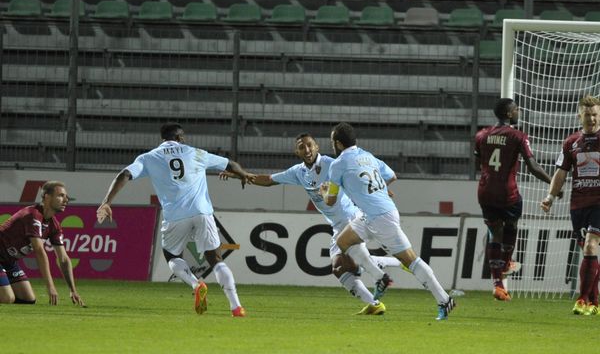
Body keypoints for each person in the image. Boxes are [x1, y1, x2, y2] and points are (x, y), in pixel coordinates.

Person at [221, 132, 402, 315]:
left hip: (352, 219)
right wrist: (241, 174)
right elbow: (268, 180)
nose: (307, 149)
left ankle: (379, 289)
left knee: (347, 264)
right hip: (337, 225)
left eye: (310, 145)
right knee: (340, 267)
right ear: (297, 151)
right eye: (302, 147)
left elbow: (360, 175)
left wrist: (381, 190)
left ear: (317, 147)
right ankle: (379, 293)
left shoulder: (332, 164)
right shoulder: (298, 172)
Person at [96, 122, 254, 317]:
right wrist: (243, 175)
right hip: (202, 212)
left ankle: (196, 285)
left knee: (172, 257)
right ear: (180, 138)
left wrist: (106, 202)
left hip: (174, 217)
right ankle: (236, 307)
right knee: (215, 259)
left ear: (163, 139)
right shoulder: (196, 153)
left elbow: (125, 174)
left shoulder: (149, 157)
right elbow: (230, 164)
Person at [322, 122, 456, 321]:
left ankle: (445, 300)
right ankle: (379, 277)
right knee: (343, 242)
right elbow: (392, 175)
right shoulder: (367, 156)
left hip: (381, 218)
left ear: (338, 143)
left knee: (411, 260)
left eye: (333, 141)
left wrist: (324, 192)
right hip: (369, 215)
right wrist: (376, 190)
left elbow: (331, 200)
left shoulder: (337, 164)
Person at [475, 98, 553, 301]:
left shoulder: (482, 135)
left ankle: (497, 285)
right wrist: (553, 183)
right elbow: (533, 167)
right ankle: (507, 261)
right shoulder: (518, 136)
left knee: (494, 233)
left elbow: (479, 163)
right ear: (509, 114)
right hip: (507, 193)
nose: (518, 112)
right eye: (516, 109)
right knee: (511, 226)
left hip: (485, 191)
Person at [541, 95, 600, 316]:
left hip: (599, 203)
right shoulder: (571, 142)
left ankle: (582, 300)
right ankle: (595, 301)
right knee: (588, 254)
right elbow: (561, 173)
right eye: (587, 115)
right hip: (578, 205)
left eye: (595, 114)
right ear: (579, 115)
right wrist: (549, 197)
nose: (591, 119)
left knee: (590, 247)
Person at [0, 181, 85, 307]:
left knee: (28, 300)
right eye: (61, 196)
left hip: (9, 262)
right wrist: (50, 286)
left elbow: (63, 259)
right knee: (8, 298)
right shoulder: (32, 215)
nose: (66, 200)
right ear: (46, 196)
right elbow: (39, 251)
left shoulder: (54, 225)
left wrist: (72, 290)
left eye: (66, 197)